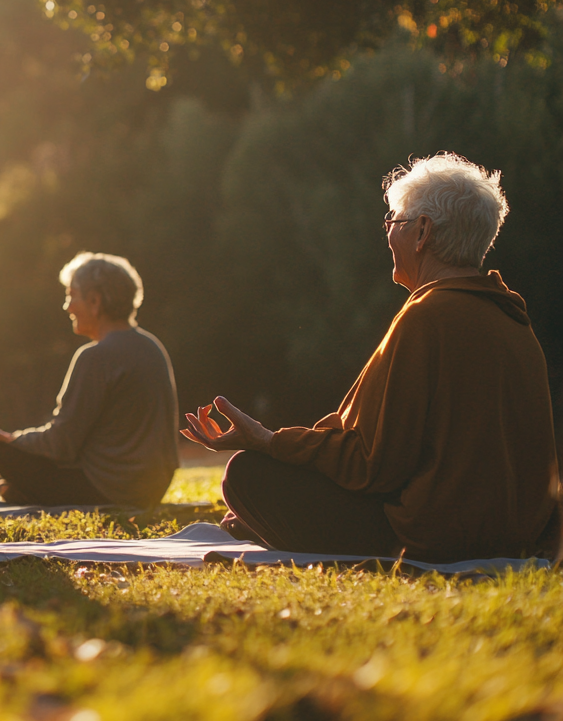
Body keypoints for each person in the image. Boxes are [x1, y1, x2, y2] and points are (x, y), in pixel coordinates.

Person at [182, 154, 560, 562]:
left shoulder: (427, 316)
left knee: (247, 475)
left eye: (393, 222)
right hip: (515, 537)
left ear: (422, 232)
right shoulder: (514, 323)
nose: (388, 234)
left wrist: (269, 442)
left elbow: (373, 465)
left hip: (432, 539)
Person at [0, 252, 179, 509]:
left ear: (95, 302)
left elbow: (61, 444)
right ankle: (24, 492)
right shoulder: (152, 346)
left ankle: (26, 492)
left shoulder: (95, 356)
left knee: (1, 454)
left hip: (108, 489)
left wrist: (6, 438)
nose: (67, 307)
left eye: (71, 296)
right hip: (152, 488)